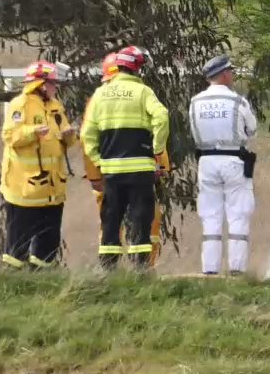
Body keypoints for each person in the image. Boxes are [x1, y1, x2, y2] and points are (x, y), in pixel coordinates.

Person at [80, 45, 171, 273]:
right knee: (140, 220)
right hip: (140, 170)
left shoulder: (100, 94)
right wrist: (157, 149)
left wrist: (98, 160)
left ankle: (108, 270)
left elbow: (86, 134)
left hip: (111, 171)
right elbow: (162, 116)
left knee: (111, 220)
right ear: (135, 68)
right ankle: (140, 270)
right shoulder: (143, 92)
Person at [185, 54, 258, 275]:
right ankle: (236, 269)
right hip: (233, 160)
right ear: (225, 74)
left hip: (206, 161)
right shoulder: (237, 101)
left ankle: (210, 270)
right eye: (231, 72)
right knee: (238, 214)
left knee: (210, 216)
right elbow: (252, 130)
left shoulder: (195, 101)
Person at [0, 58, 73, 267]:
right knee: (18, 241)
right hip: (25, 188)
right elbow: (10, 136)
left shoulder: (55, 106)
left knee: (49, 240)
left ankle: (43, 277)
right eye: (51, 83)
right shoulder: (20, 105)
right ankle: (13, 279)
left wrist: (68, 136)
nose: (54, 87)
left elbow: (64, 139)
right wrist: (32, 132)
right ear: (40, 84)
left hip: (51, 188)